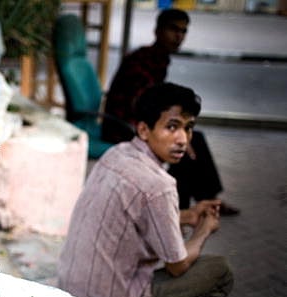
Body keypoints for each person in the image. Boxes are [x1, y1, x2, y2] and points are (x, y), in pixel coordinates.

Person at [58, 82, 233, 297]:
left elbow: (141, 217)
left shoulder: (117, 153)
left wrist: (188, 215)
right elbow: (177, 266)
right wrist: (202, 230)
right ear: (143, 129)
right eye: (172, 127)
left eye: (188, 128)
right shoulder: (158, 185)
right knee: (221, 272)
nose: (182, 139)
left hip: (74, 290)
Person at [101, 8, 239, 215]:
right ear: (157, 31)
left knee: (192, 139)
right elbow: (141, 108)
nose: (178, 36)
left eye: (183, 31)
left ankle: (206, 202)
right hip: (124, 126)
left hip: (141, 123)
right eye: (173, 29)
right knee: (181, 147)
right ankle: (176, 212)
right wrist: (173, 132)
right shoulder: (142, 61)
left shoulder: (160, 59)